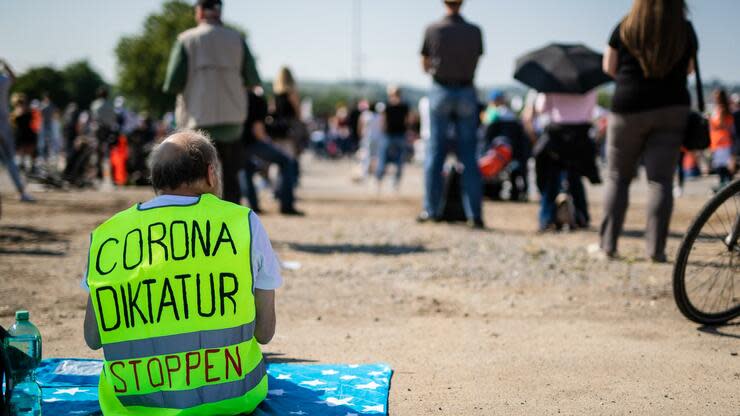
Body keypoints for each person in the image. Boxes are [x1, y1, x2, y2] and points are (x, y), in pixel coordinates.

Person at [83, 130, 279, 415]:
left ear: (156, 179)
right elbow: (264, 333)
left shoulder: (108, 235)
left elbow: (93, 338)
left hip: (132, 406)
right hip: (234, 398)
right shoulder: (242, 223)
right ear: (211, 174)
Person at [600, 0, 698, 262]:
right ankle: (656, 251)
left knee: (618, 177)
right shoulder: (684, 29)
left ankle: (608, 245)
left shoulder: (626, 26)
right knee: (660, 182)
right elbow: (689, 69)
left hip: (629, 106)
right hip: (671, 108)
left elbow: (609, 66)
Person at [163, 0, 262, 204]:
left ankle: (202, 228)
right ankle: (233, 229)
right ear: (219, 12)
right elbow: (253, 80)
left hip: (197, 122)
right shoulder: (237, 39)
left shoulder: (186, 39)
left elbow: (172, 83)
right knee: (231, 179)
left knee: (197, 180)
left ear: (199, 12)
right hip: (232, 122)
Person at [419, 0, 485, 229]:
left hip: (441, 90)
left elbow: (424, 65)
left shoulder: (433, 29)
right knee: (469, 156)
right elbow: (476, 59)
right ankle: (474, 214)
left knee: (435, 153)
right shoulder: (475, 31)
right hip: (467, 90)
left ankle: (430, 209)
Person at [528, 91, 599, 231]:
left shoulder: (552, 84)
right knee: (575, 179)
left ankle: (546, 219)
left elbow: (542, 108)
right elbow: (591, 112)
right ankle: (582, 217)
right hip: (580, 136)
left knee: (551, 180)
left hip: (557, 136)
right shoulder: (588, 87)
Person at [241, 87, 303, 215]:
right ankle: (286, 205)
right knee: (286, 161)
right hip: (253, 142)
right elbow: (257, 130)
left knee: (245, 170)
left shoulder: (233, 95)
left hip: (235, 142)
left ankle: (253, 206)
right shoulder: (255, 98)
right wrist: (268, 142)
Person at [484, 90, 531, 202]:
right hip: (515, 152)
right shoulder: (512, 115)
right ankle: (519, 192)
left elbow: (485, 133)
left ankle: (492, 191)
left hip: (495, 153)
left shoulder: (492, 114)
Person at [0, 59, 33, 202]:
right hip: (2, 126)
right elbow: (13, 77)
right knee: (10, 161)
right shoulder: (1, 80)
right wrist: (5, 64)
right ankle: (21, 192)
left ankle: (21, 191)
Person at [376, 86, 409, 190]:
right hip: (391, 135)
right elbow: (407, 121)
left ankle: (388, 182)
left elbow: (383, 121)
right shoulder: (400, 106)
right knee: (385, 159)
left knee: (392, 160)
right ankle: (382, 181)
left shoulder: (391, 105)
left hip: (395, 135)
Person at [709, 89, 736, 189]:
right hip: (717, 141)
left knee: (724, 166)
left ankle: (728, 187)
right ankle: (724, 187)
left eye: (717, 96)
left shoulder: (723, 109)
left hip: (723, 141)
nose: (715, 98)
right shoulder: (718, 109)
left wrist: (710, 120)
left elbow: (721, 124)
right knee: (719, 166)